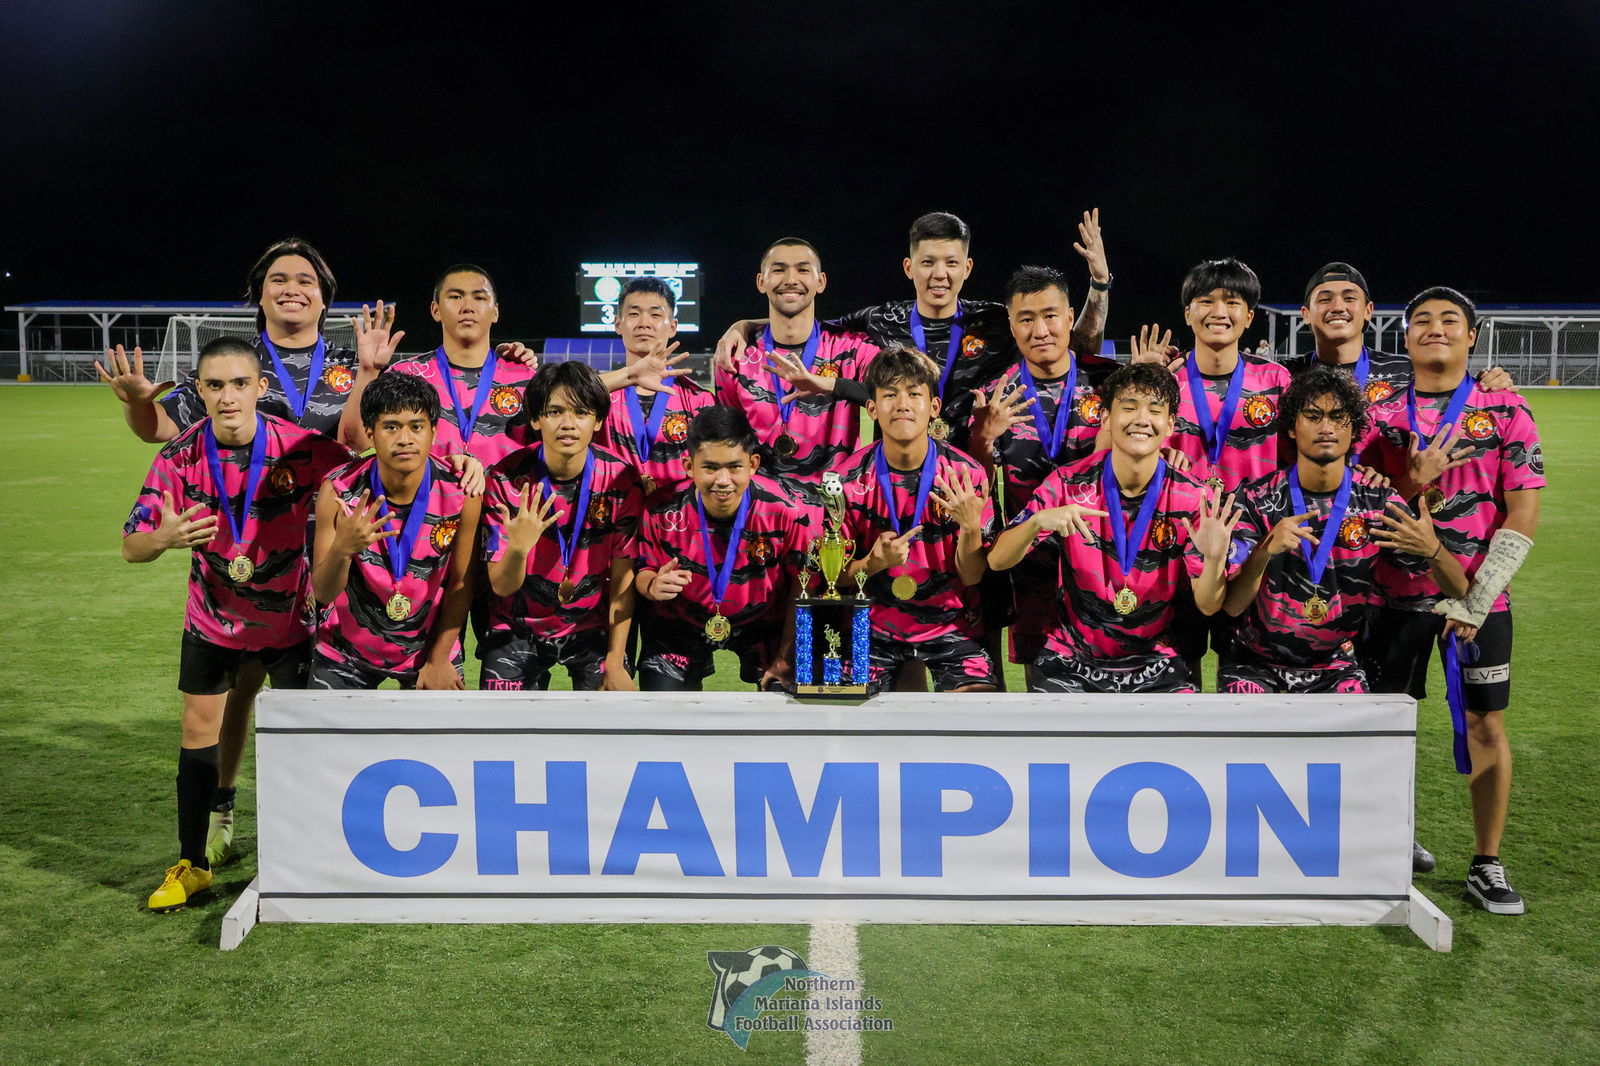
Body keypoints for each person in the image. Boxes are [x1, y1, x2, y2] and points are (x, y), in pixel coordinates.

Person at [122, 337, 352, 911]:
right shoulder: (178, 457)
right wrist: (164, 538)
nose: (229, 397)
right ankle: (191, 863)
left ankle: (311, 852)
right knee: (197, 734)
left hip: (291, 623)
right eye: (215, 386)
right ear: (199, 392)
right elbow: (132, 545)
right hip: (213, 622)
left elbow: (378, 467)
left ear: (261, 388)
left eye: (240, 384)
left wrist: (467, 465)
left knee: (302, 742)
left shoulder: (303, 448)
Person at [1359, 287, 1543, 915]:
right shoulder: (1376, 406)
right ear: (1405, 338)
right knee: (1385, 726)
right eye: (1420, 322)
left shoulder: (1507, 406)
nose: (1434, 329)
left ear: (1472, 336)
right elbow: (1356, 492)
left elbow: (1522, 514)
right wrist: (1414, 479)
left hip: (1476, 603)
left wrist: (1476, 597)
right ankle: (1387, 841)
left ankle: (1486, 863)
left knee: (1486, 723)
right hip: (1387, 595)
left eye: (1449, 321)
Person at [714, 210, 1113, 453]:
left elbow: (1075, 346)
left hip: (975, 467)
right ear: (909, 267)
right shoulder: (879, 320)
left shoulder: (996, 320)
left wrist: (1099, 285)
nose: (939, 274)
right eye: (928, 262)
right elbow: (802, 322)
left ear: (967, 268)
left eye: (951, 263)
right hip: (901, 470)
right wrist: (744, 326)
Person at [988, 363, 1236, 693]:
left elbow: (1208, 605)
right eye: (1129, 407)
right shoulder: (1067, 482)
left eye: (1154, 410)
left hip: (1157, 666)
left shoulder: (1193, 497)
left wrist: (1216, 559)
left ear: (1171, 424)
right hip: (1072, 664)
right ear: (1105, 418)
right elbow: (997, 561)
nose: (1141, 419)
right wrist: (1035, 522)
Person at [1221, 365, 1468, 694]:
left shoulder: (1379, 501)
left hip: (1336, 666)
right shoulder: (1255, 499)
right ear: (1292, 428)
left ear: (1354, 429)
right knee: (1241, 735)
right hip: (1254, 664)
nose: (1326, 427)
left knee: (1361, 736)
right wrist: (1265, 550)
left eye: (1338, 417)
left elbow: (1458, 589)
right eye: (1312, 415)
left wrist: (1433, 550)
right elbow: (1232, 606)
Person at [968, 265, 1122, 681]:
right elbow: (978, 485)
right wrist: (983, 437)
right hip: (1033, 570)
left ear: (1070, 317)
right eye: (1026, 318)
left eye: (1050, 315)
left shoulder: (1109, 382)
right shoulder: (997, 394)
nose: (1041, 330)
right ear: (1012, 325)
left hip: (1110, 563)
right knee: (1046, 699)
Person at [97, 238, 373, 444]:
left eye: (304, 282)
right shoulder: (231, 363)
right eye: (278, 280)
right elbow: (159, 428)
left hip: (332, 516)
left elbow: (359, 443)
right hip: (251, 516)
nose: (291, 290)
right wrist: (136, 403)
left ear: (324, 298)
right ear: (261, 297)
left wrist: (370, 372)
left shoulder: (353, 366)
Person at [837, 346, 1000, 693]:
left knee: (980, 711)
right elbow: (835, 577)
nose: (903, 404)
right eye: (890, 394)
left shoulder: (966, 475)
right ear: (872, 408)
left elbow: (972, 575)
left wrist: (971, 528)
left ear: (934, 407)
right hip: (873, 631)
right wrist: (872, 562)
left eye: (914, 394)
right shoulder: (846, 481)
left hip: (952, 628)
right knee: (847, 723)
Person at [309, 372, 480, 689]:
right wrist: (342, 550)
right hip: (344, 650)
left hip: (429, 649)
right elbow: (322, 593)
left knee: (437, 739)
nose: (405, 438)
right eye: (391, 427)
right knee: (328, 739)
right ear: (370, 433)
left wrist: (439, 659)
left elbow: (461, 583)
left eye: (416, 426)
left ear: (433, 431)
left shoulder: (461, 493)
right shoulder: (338, 490)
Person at [479, 362, 641, 691]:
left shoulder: (622, 480)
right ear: (536, 419)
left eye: (581, 412)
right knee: (500, 733)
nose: (568, 424)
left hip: (590, 629)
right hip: (517, 628)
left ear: (597, 421)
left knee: (612, 727)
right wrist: (519, 548)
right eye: (554, 411)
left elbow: (624, 577)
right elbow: (501, 586)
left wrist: (616, 656)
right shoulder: (504, 479)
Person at [634, 406, 815, 691]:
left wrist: (786, 656)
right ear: (689, 466)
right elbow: (643, 569)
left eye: (734, 467)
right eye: (710, 467)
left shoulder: (786, 511)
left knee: (786, 706)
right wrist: (652, 585)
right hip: (682, 625)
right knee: (661, 710)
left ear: (753, 464)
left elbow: (802, 587)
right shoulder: (660, 510)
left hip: (763, 624)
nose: (723, 480)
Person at [713, 238, 881, 486]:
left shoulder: (852, 348)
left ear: (820, 282)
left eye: (803, 269)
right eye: (779, 270)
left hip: (834, 507)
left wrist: (830, 385)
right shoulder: (736, 355)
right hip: (761, 511)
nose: (791, 279)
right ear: (761, 282)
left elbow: (897, 391)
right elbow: (727, 441)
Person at [1288, 262, 1517, 403]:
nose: (1338, 307)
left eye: (1349, 298)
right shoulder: (1284, 377)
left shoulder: (1408, 372)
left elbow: (1458, 392)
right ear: (1306, 313)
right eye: (1325, 299)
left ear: (1368, 311)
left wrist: (1487, 382)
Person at [598, 277, 714, 507]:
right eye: (633, 314)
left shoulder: (699, 399)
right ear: (617, 324)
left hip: (677, 528)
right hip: (609, 527)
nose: (644, 323)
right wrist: (629, 375)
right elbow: (559, 394)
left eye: (655, 314)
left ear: (673, 327)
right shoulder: (597, 395)